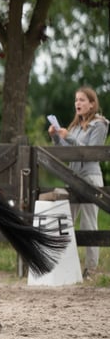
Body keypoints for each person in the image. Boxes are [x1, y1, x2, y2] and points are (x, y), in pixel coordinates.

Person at [48, 86, 109, 279]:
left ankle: (91, 269)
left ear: (92, 104)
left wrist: (71, 138)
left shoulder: (99, 125)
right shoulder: (74, 126)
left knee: (89, 223)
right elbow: (66, 151)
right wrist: (56, 136)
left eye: (82, 100)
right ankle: (65, 266)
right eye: (76, 100)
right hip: (72, 177)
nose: (78, 103)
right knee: (66, 221)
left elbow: (92, 152)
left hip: (90, 178)